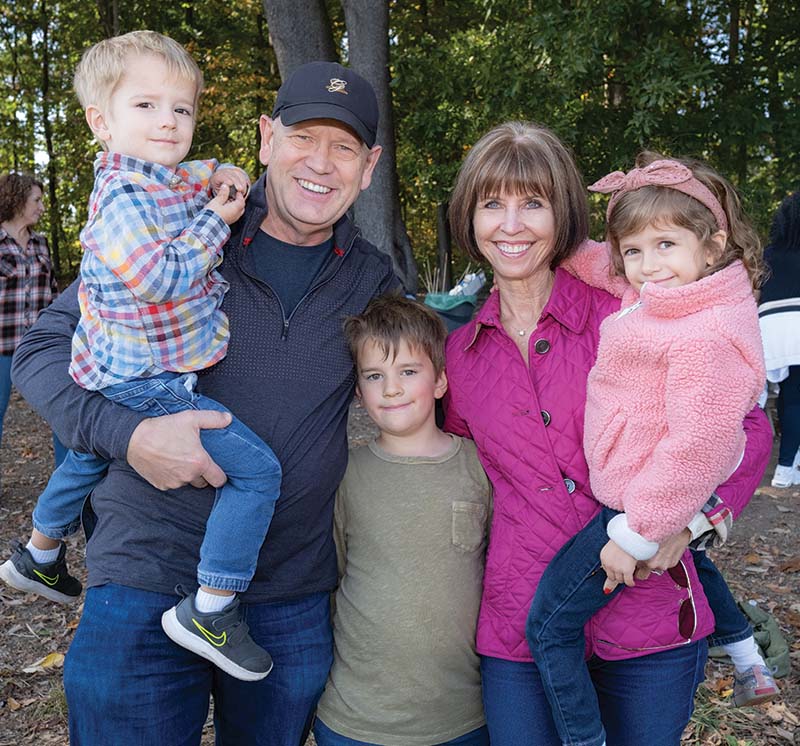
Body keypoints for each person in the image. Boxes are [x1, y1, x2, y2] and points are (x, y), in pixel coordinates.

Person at [11, 57, 395, 744]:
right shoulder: (181, 226)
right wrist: (127, 436)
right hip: (144, 575)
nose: (321, 163)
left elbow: (452, 367)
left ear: (368, 168)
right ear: (266, 139)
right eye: (304, 137)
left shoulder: (372, 279)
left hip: (288, 589)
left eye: (343, 147)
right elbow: (41, 353)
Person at [442, 121, 773, 746]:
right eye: (492, 204)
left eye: (533, 203)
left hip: (647, 605)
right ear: (470, 217)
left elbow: (745, 426)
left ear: (564, 214)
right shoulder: (460, 353)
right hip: (523, 614)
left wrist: (687, 520)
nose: (511, 225)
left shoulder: (632, 311)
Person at [0, 30, 281, 683]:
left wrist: (227, 173)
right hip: (147, 382)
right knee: (259, 473)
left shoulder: (155, 177)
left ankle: (40, 553)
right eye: (147, 106)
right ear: (102, 121)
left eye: (181, 109)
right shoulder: (123, 201)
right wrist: (220, 217)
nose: (169, 122)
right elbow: (161, 277)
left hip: (116, 370)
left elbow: (198, 173)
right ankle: (212, 606)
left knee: (86, 455)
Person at [314, 295, 491, 746]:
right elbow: (330, 577)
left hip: (462, 719)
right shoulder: (345, 474)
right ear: (359, 391)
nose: (391, 389)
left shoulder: (479, 468)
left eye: (408, 372)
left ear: (440, 382)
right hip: (357, 722)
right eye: (375, 376)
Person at [0, 172, 65, 470]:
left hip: (40, 347)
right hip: (2, 347)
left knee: (64, 414)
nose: (41, 206)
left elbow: (52, 293)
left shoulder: (41, 244)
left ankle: (71, 490)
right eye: (36, 200)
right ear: (17, 201)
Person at [759, 191, 800, 488]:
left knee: (789, 395)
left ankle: (790, 462)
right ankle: (785, 467)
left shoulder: (769, 253)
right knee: (796, 398)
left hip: (771, 330)